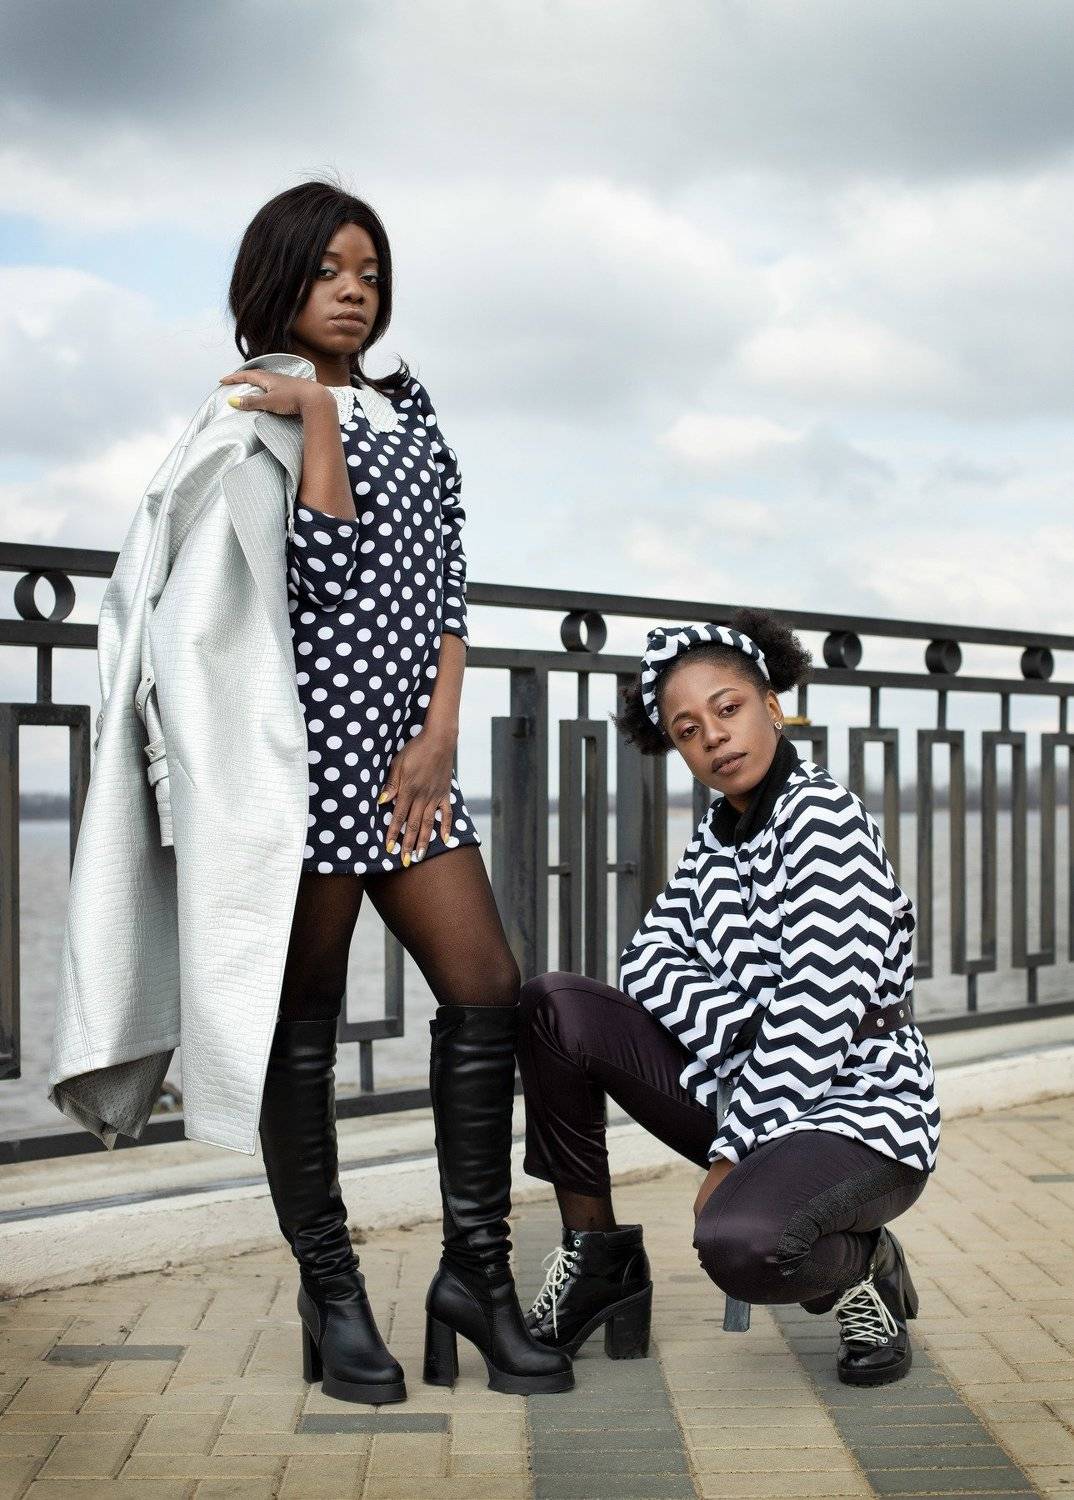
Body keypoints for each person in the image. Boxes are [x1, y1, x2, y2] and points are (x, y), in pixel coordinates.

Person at [51, 180, 570, 1404]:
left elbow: (446, 583)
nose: (353, 291)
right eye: (330, 270)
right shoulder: (250, 413)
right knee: (305, 1027)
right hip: (303, 770)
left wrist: (440, 732)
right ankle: (331, 1294)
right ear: (278, 279)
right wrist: (317, 420)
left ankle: (475, 1278)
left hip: (408, 767)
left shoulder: (413, 409)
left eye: (369, 273)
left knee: (486, 987)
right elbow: (321, 576)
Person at [517, 610, 940, 1385]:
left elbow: (816, 1014)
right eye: (687, 730)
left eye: (728, 708)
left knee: (741, 1245)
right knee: (556, 1009)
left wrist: (730, 1152)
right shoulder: (718, 835)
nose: (712, 736)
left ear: (772, 706)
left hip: (864, 1108)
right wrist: (737, 1028)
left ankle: (862, 1266)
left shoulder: (824, 820)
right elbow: (648, 959)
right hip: (756, 1086)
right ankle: (598, 1258)